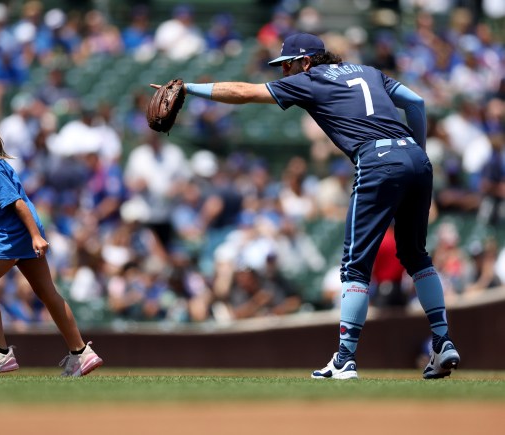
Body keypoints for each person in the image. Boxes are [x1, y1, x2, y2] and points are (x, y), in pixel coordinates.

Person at [155, 32, 460, 379]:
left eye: (286, 65)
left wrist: (190, 88)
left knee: (354, 266)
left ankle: (345, 359)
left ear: (305, 61)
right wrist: (415, 152)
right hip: (417, 158)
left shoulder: (310, 79)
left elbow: (246, 92)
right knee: (416, 254)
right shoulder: (368, 70)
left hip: (378, 161)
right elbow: (417, 102)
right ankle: (442, 341)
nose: (285, 73)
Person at [0, 105, 103, 376]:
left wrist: (36, 237)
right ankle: (81, 353)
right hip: (18, 233)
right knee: (47, 292)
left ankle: (0, 353)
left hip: (14, 234)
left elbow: (18, 204)